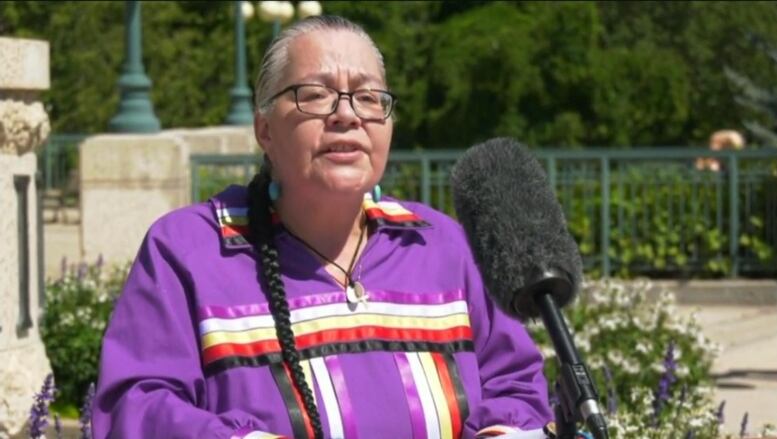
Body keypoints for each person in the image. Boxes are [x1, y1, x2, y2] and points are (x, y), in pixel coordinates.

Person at [92, 15, 553, 439]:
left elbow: (516, 385)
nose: (347, 115)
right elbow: (137, 405)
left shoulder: (441, 245)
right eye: (315, 95)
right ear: (265, 131)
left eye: (369, 97)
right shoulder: (190, 251)